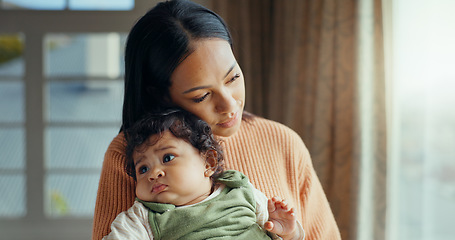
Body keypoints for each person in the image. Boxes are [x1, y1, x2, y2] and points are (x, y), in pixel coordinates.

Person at [93, 0, 341, 239]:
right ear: (161, 97)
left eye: (232, 78)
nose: (230, 105)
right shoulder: (134, 156)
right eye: (202, 96)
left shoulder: (283, 141)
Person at [102, 110, 305, 239]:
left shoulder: (240, 190)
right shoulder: (146, 216)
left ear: (208, 162)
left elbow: (273, 230)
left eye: (167, 158)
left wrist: (289, 232)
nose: (153, 174)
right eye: (142, 169)